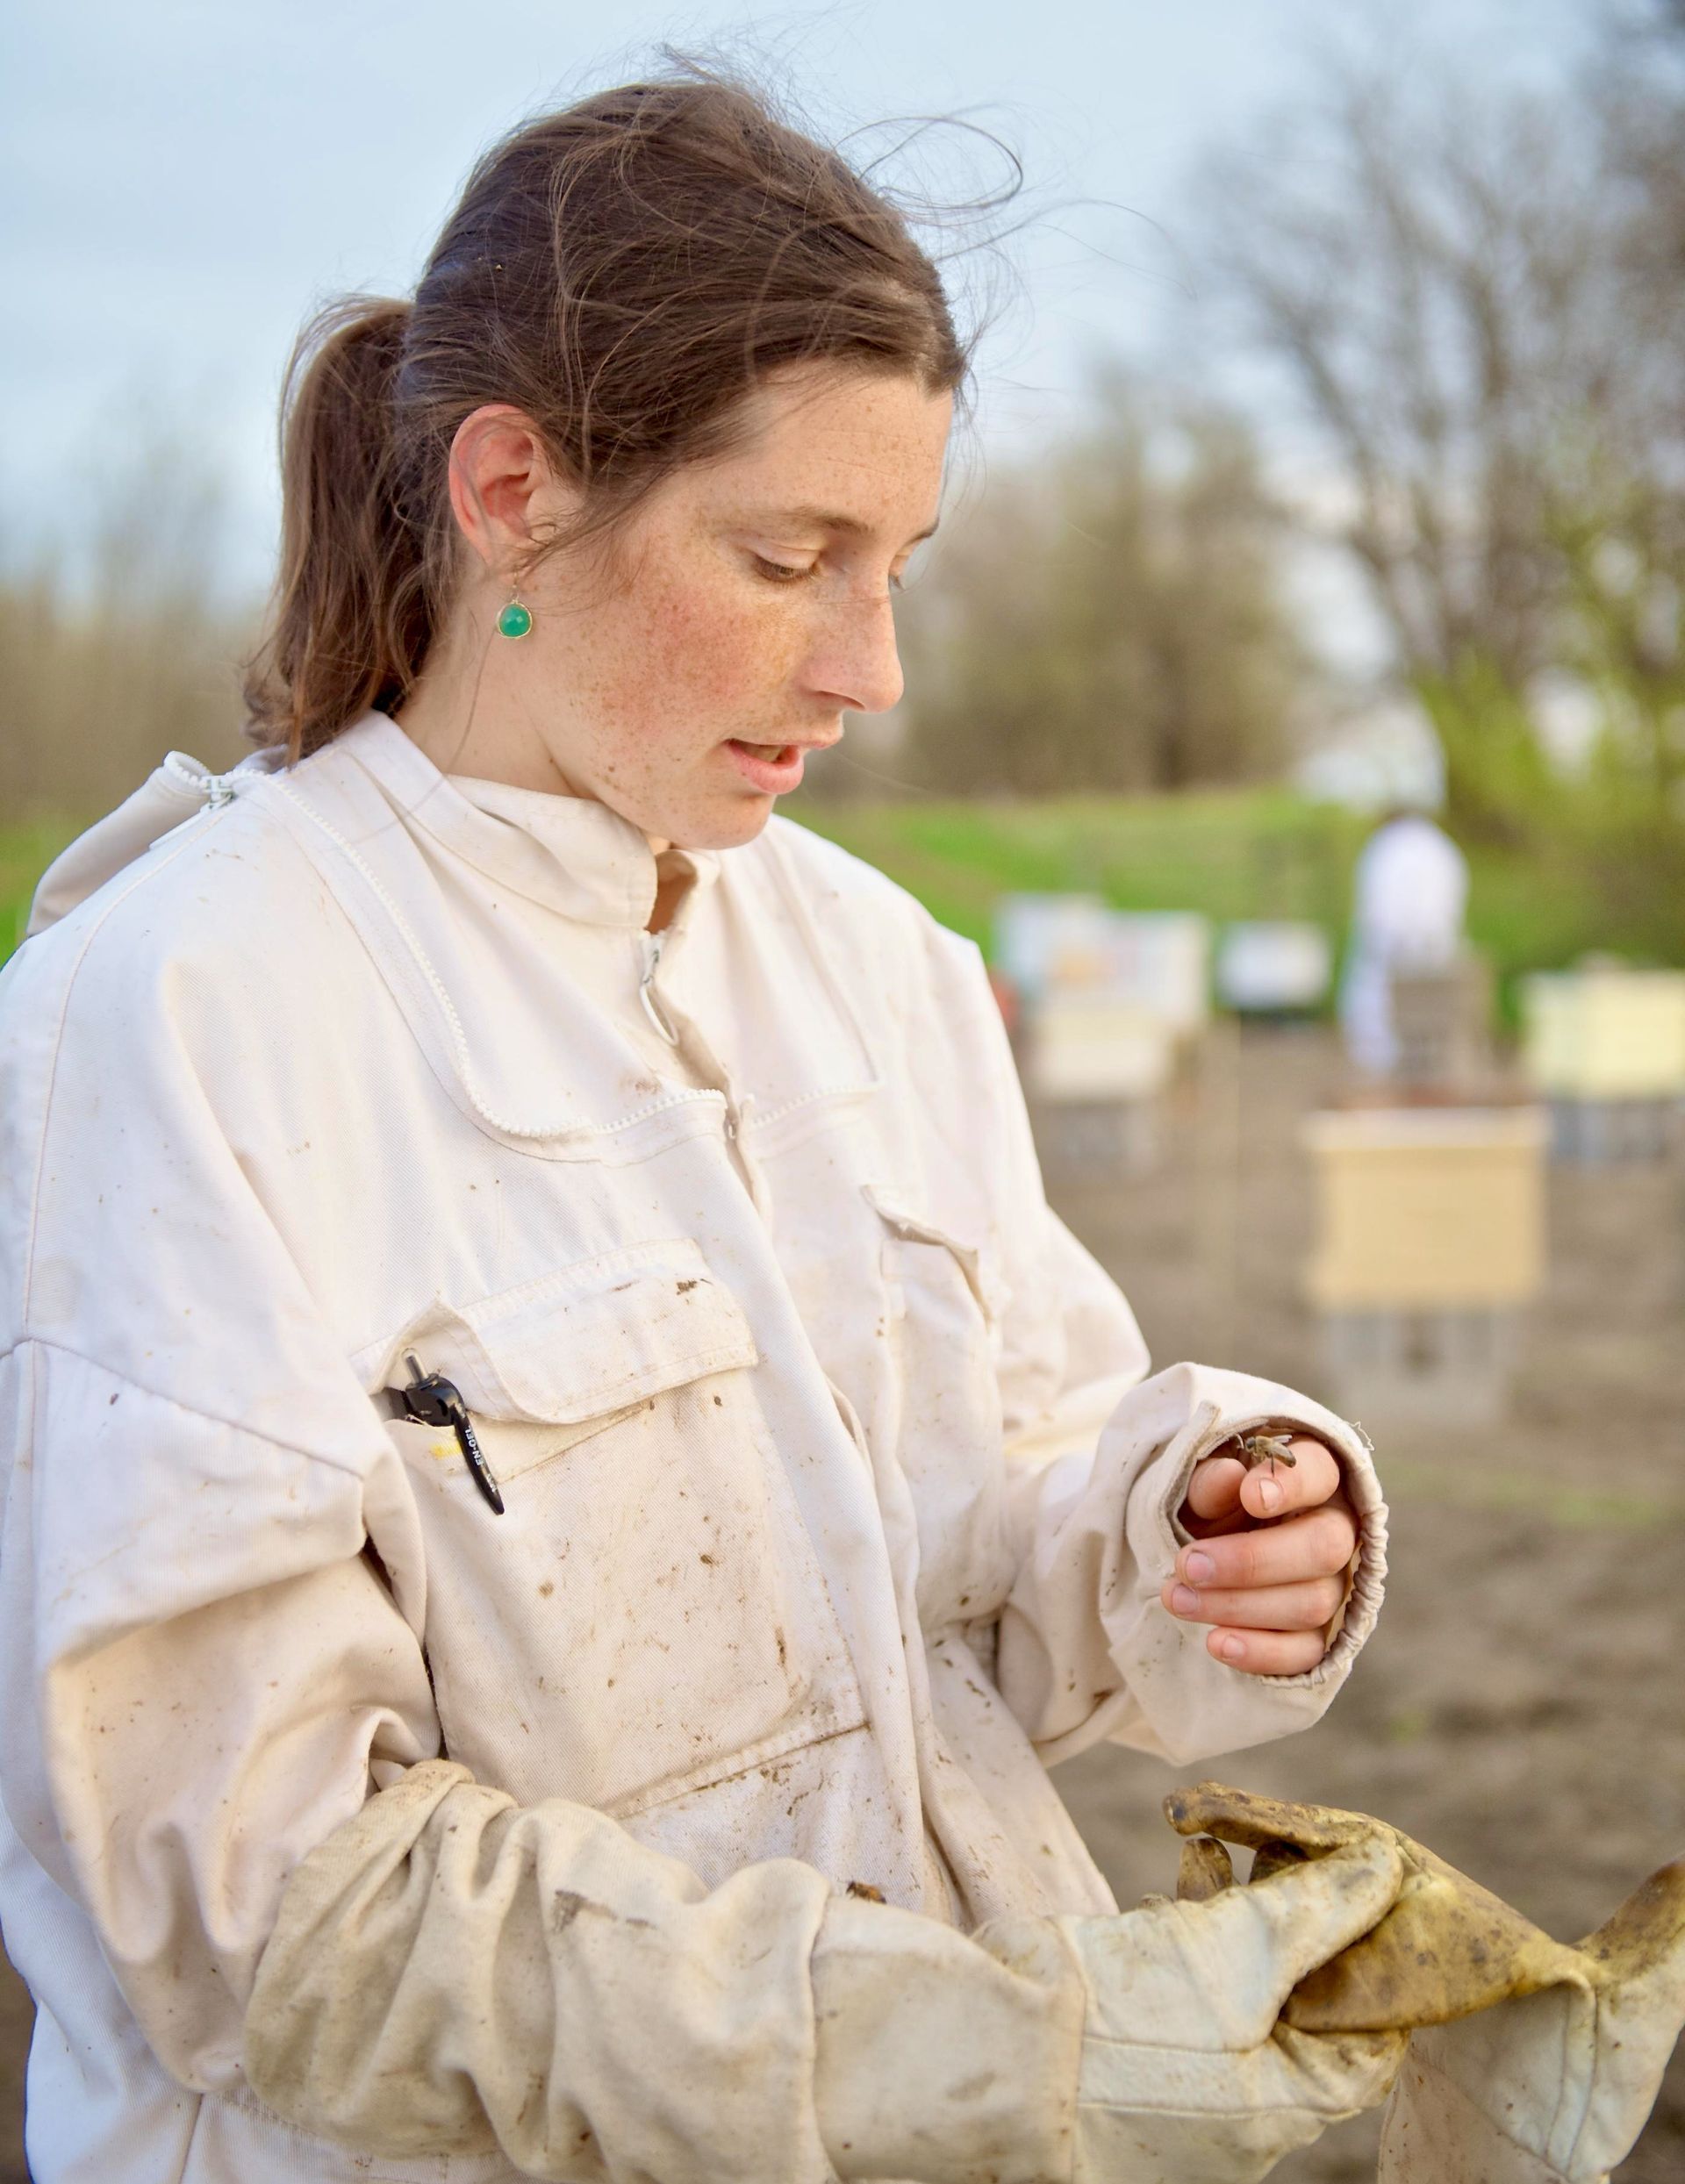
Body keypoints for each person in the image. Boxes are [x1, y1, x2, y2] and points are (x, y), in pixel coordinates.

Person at [0, 72, 1398, 2184]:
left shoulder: (881, 971)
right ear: (509, 493)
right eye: (789, 557)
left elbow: (982, 1572)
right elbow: (255, 1892)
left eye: (899, 561)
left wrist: (1186, 1529)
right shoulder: (179, 1009)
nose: (875, 666)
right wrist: (902, 2046)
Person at [1339, 805, 1470, 1076]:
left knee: (1386, 1019)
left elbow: (1377, 912)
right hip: (1430, 951)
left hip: (1394, 952)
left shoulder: (1388, 848)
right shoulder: (1438, 847)